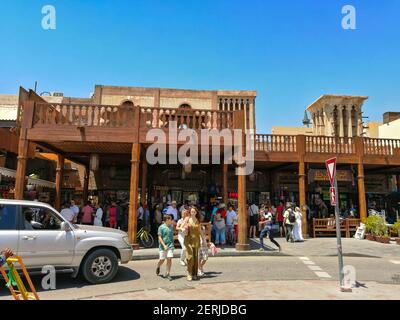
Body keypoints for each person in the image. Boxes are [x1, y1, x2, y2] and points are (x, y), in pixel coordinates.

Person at [183, 207, 201, 281]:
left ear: (196, 212)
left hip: (196, 240)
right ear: (190, 212)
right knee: (190, 257)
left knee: (196, 257)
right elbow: (181, 227)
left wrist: (204, 240)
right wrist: (184, 229)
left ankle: (194, 274)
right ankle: (189, 273)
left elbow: (200, 231)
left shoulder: (198, 220)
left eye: (194, 211)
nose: (193, 213)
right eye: (192, 211)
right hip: (188, 240)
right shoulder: (187, 219)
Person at [156, 214, 175, 281]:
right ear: (167, 220)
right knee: (162, 259)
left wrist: (172, 244)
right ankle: (158, 266)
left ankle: (168, 273)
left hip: (170, 246)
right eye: (170, 219)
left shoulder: (171, 227)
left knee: (169, 258)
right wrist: (164, 245)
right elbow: (159, 237)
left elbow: (172, 236)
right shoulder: (161, 227)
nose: (171, 220)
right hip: (162, 246)